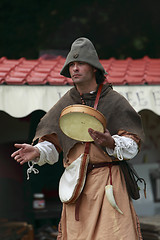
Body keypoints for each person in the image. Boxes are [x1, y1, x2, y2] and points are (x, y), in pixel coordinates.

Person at [11, 37, 144, 240]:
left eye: (80, 63)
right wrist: (38, 151)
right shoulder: (67, 102)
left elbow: (132, 145)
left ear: (93, 68)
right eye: (71, 64)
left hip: (108, 184)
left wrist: (111, 142)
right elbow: (55, 144)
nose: (75, 68)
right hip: (77, 186)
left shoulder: (114, 101)